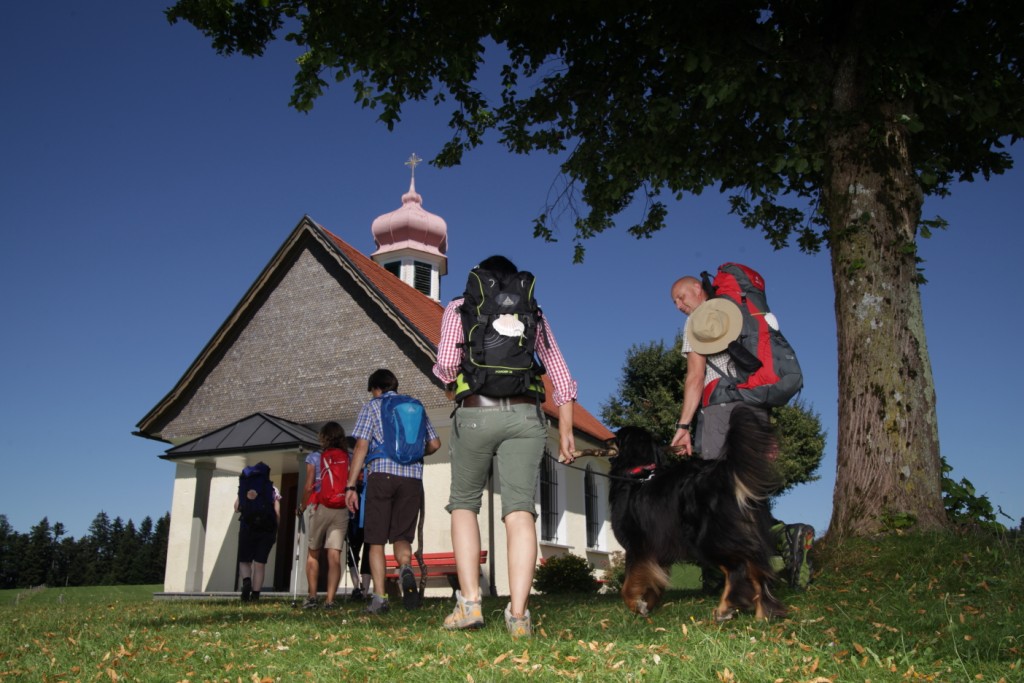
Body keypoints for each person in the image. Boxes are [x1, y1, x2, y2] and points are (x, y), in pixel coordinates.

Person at [432, 255, 578, 638]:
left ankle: (469, 604)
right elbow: (561, 376)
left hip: (476, 413)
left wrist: (452, 382)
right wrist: (566, 431)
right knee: (519, 512)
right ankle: (518, 616)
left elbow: (446, 362)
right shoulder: (534, 311)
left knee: (464, 503)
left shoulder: (461, 306)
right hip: (526, 417)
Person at [669, 274, 814, 589]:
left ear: (698, 288)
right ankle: (784, 538)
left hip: (720, 409)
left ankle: (723, 574)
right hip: (755, 407)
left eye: (681, 296)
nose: (680, 306)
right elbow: (760, 372)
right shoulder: (741, 312)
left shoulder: (699, 321)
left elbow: (695, 377)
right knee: (749, 489)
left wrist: (683, 426)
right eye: (676, 302)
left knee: (718, 491)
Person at [345, 369, 441, 615]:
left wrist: (351, 486)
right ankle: (406, 568)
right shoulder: (415, 405)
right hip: (411, 479)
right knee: (402, 537)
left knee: (375, 539)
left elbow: (361, 446)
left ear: (375, 388)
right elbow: (434, 444)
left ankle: (379, 598)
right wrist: (417, 455)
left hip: (381, 476)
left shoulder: (373, 406)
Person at [299, 421, 350, 610]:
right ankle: (330, 600)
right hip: (341, 507)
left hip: (319, 505)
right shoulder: (348, 457)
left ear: (323, 437)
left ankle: (312, 597)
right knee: (334, 555)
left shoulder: (314, 457)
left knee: (313, 553)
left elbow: (308, 485)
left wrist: (303, 506)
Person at [234, 466, 281, 603]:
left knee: (244, 560)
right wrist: (276, 529)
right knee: (260, 564)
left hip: (247, 527)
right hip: (266, 530)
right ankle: (255, 595)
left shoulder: (244, 487)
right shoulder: (272, 489)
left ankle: (246, 581)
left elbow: (236, 508)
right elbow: (277, 512)